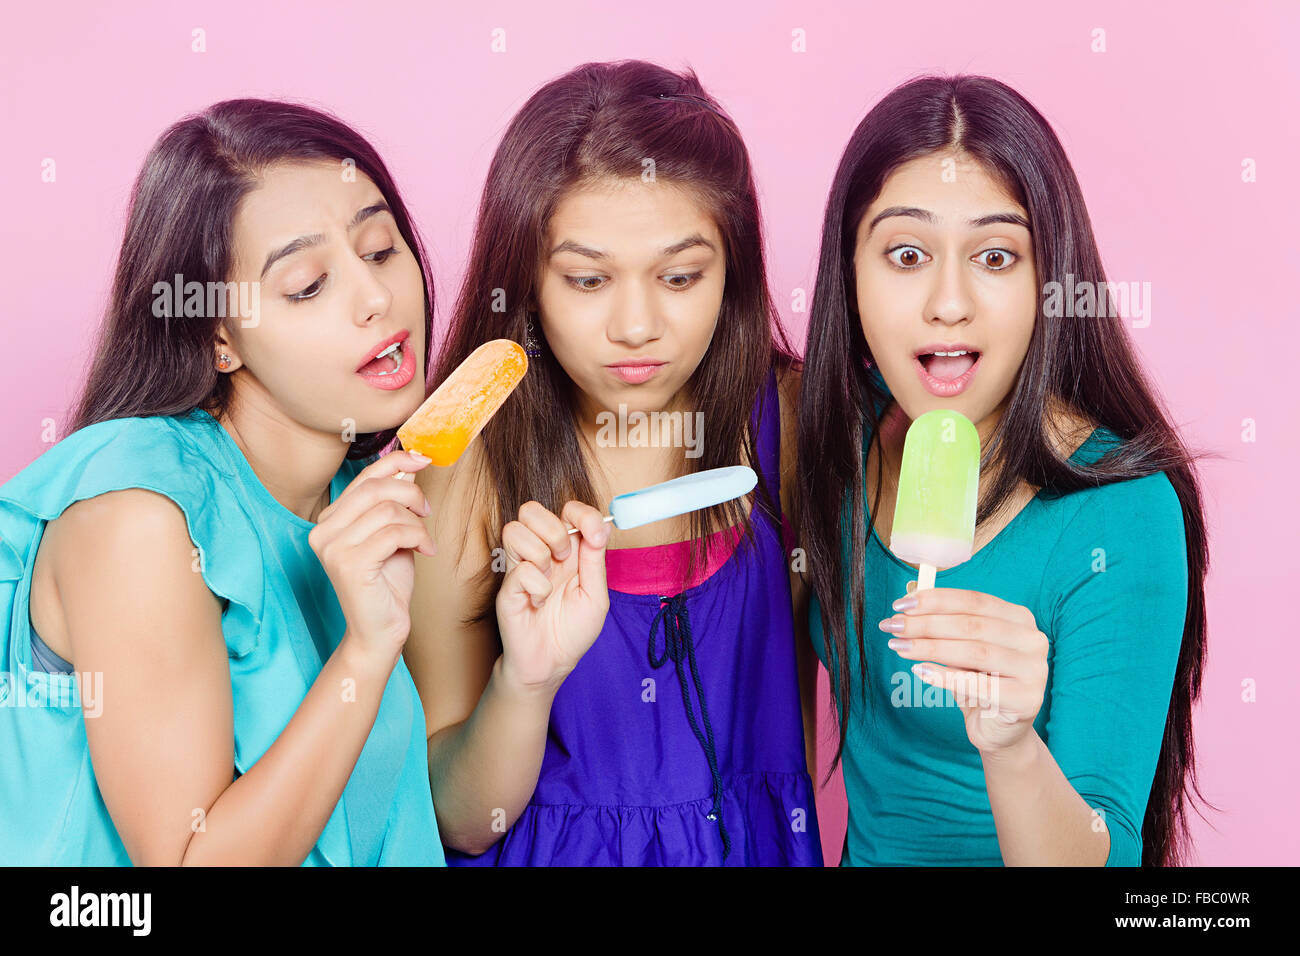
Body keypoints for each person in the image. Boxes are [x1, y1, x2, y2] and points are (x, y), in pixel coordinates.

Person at [0, 99, 445, 865]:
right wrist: (364, 655)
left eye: (379, 249)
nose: (378, 300)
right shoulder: (136, 515)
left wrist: (527, 680)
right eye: (308, 285)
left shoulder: (360, 502)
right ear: (218, 338)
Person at [798, 74, 1213, 866]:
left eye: (995, 255)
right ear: (848, 275)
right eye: (907, 253)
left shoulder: (1121, 511)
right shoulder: (830, 443)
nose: (948, 303)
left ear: (1048, 282)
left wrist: (1011, 743)